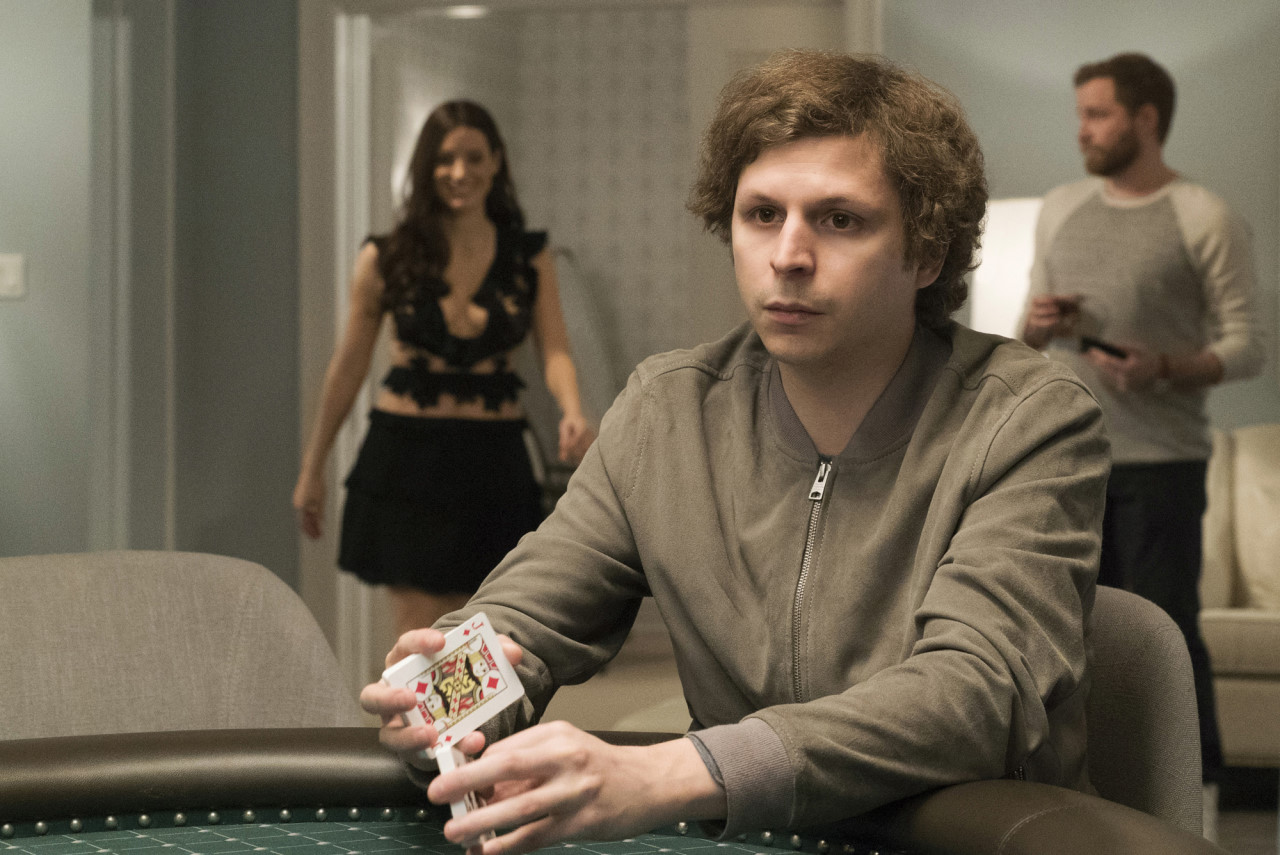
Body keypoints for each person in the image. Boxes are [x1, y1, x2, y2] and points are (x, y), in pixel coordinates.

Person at [362, 50, 1109, 854]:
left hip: (973, 841)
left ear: (927, 252)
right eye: (762, 215)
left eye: (840, 220)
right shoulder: (667, 412)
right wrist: (436, 705)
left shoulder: (1030, 416)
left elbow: (975, 694)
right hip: (759, 840)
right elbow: (526, 617)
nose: (787, 255)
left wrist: (679, 770)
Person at [1018, 53, 1265, 789]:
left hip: (1162, 463)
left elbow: (1249, 346)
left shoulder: (1204, 215)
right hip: (1067, 459)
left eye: (1097, 115)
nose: (1082, 130)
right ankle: (1086, 792)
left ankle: (1195, 793)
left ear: (1146, 119)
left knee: (1165, 636)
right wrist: (1039, 324)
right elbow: (1027, 334)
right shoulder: (1061, 207)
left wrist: (1163, 366)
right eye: (1081, 115)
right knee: (1069, 635)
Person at [293, 100, 595, 637]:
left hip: (495, 461)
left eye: (474, 157)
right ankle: (416, 700)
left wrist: (572, 409)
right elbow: (348, 367)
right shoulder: (386, 257)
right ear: (425, 167)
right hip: (406, 460)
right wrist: (312, 467)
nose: (460, 172)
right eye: (444, 159)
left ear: (496, 161)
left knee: (490, 626)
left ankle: (475, 703)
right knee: (421, 633)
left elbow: (555, 350)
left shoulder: (528, 258)